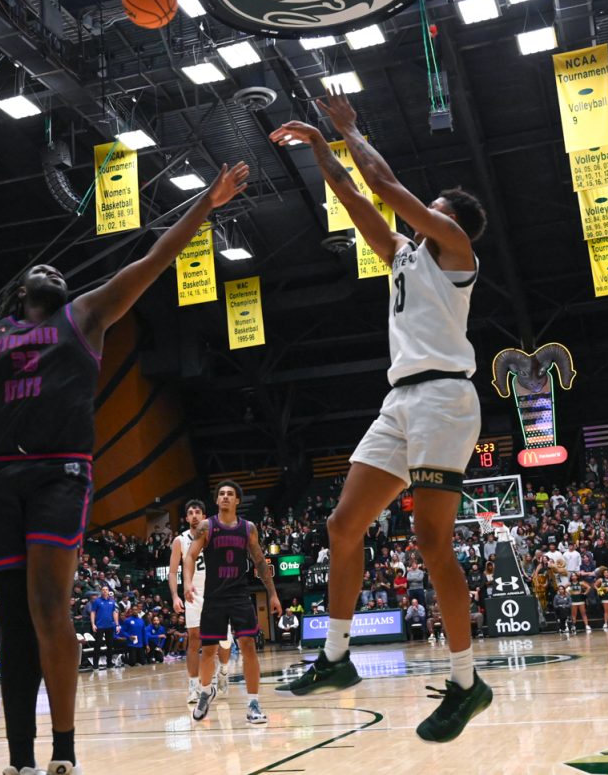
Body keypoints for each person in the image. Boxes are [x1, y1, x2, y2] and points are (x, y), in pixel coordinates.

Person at [0, 162, 249, 775]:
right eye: (46, 271)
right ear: (19, 294)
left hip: (62, 475)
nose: (55, 271)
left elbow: (157, 256)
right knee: (12, 624)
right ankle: (19, 760)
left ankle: (63, 751)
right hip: (4, 482)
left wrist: (208, 202)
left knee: (47, 607)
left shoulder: (84, 315)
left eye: (60, 272)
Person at [269, 90, 491, 742]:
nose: (424, 213)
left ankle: (466, 679)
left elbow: (386, 184)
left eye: (434, 208)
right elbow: (358, 200)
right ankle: (336, 658)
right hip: (401, 400)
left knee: (431, 544)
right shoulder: (403, 254)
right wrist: (317, 146)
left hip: (446, 399)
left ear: (449, 219)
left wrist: (350, 129)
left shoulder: (455, 250)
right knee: (343, 525)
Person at [183, 481, 281, 725]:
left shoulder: (248, 528)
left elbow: (259, 561)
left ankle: (253, 703)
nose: (225, 497)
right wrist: (186, 582)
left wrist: (273, 593)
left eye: (230, 494)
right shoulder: (207, 526)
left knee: (248, 644)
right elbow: (190, 556)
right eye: (221, 494)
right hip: (214, 597)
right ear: (216, 501)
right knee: (208, 651)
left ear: (237, 500)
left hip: (239, 595)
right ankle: (206, 692)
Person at [169, 499, 229, 704]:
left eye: (198, 512)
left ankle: (223, 672)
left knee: (224, 641)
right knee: (194, 640)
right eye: (191, 512)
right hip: (192, 594)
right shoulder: (180, 540)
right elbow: (172, 572)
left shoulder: (215, 536)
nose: (194, 515)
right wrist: (175, 596)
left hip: (217, 592)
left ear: (204, 516)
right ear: (186, 518)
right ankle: (193, 687)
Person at [88, 587, 118, 670]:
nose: (105, 591)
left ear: (108, 592)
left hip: (110, 626)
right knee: (98, 645)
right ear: (101, 591)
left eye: (106, 590)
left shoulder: (112, 601)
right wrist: (93, 624)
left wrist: (117, 624)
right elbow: (93, 612)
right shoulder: (97, 601)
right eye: (103, 590)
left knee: (110, 645)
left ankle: (109, 663)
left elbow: (114, 612)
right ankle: (95, 665)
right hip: (100, 626)